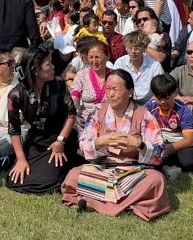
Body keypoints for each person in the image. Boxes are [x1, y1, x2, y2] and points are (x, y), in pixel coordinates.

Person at [59, 70, 170, 221]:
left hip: (132, 171)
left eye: (116, 89)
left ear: (130, 92)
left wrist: (139, 144)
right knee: (73, 175)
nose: (110, 94)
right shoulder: (98, 112)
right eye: (108, 89)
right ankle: (126, 203)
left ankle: (97, 203)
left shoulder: (144, 115)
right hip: (102, 169)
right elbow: (84, 145)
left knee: (156, 180)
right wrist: (100, 142)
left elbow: (160, 153)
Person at [5, 47, 79, 194]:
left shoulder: (58, 84)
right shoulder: (16, 95)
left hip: (61, 138)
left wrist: (60, 141)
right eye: (48, 64)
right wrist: (21, 159)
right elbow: (14, 130)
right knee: (17, 179)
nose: (53, 67)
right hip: (36, 140)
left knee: (47, 181)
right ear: (36, 70)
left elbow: (71, 115)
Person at [147, 74, 193, 176]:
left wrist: (171, 148)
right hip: (157, 143)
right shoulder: (149, 106)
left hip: (177, 145)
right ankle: (165, 167)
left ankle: (162, 166)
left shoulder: (183, 110)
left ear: (175, 94)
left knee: (190, 158)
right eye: (159, 98)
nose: (163, 102)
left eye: (167, 97)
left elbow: (189, 140)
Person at [112, 30, 163, 104]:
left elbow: (159, 90)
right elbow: (114, 85)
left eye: (137, 48)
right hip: (125, 102)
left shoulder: (155, 65)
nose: (133, 51)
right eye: (129, 48)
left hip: (148, 103)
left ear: (145, 48)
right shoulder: (120, 63)